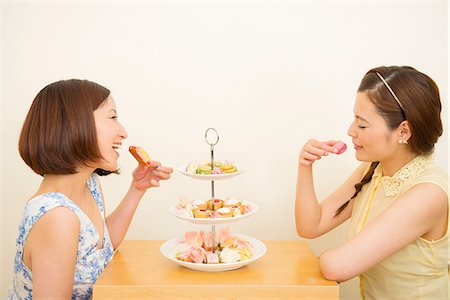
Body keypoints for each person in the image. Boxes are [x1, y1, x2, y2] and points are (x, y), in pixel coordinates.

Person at [7, 79, 173, 299]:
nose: (123, 132)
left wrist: (137, 189)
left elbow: (99, 249)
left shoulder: (89, 184)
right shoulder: (57, 217)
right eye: (112, 117)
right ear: (76, 123)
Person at [295, 66, 448, 299]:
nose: (350, 130)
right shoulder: (373, 169)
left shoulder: (428, 194)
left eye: (362, 124)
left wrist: (323, 257)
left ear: (403, 131)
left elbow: (337, 266)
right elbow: (310, 226)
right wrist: (305, 165)